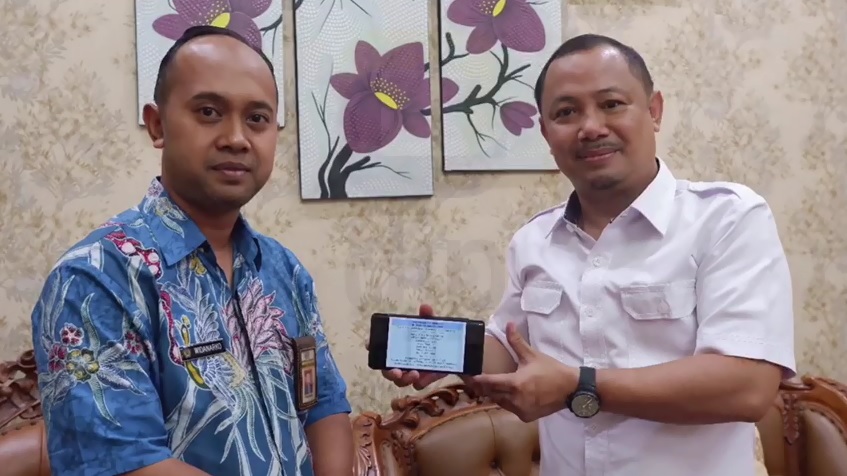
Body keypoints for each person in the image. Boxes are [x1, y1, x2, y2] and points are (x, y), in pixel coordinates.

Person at [380, 34, 795, 476]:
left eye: (612, 104)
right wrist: (445, 354)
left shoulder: (727, 218)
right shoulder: (533, 241)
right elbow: (513, 354)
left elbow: (747, 387)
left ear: (654, 110)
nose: (591, 127)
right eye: (566, 112)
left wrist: (580, 386)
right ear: (545, 133)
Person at [30, 26, 352, 476]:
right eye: (209, 112)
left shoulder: (283, 269)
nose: (237, 138)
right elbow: (125, 463)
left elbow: (323, 405)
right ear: (158, 124)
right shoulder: (95, 280)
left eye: (257, 119)